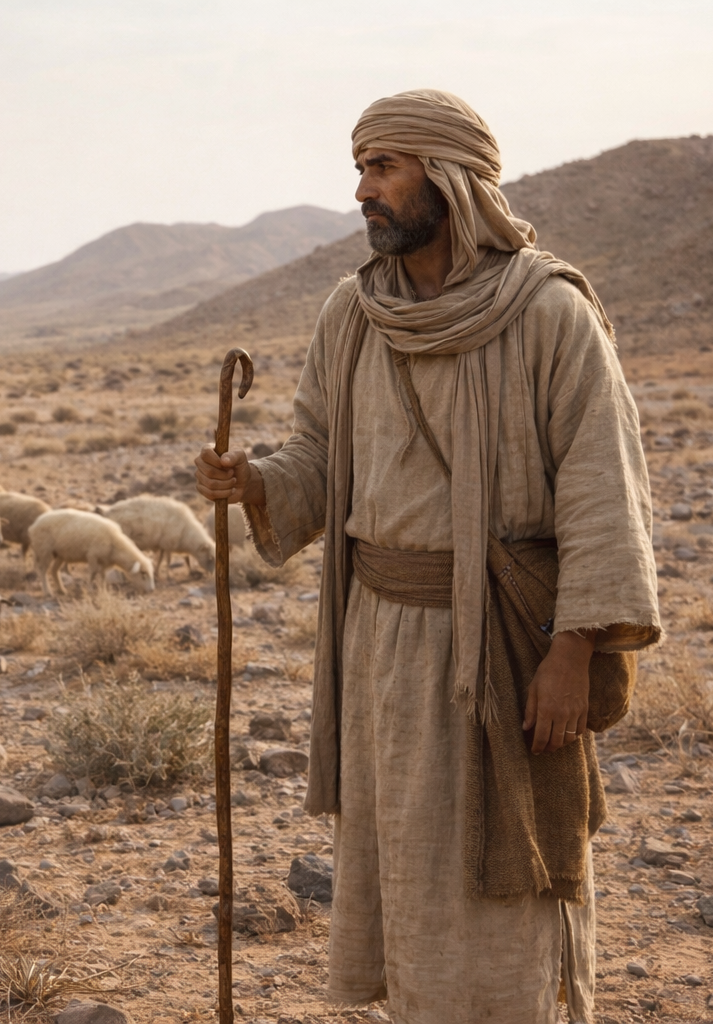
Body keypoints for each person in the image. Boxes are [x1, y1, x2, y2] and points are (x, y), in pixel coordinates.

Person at [195, 89, 659, 1024]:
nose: (363, 188)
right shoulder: (353, 313)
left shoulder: (547, 312)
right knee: (406, 859)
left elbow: (603, 488)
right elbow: (320, 456)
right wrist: (256, 483)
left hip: (506, 643)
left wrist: (575, 652)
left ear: (448, 179)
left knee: (505, 863)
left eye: (383, 167)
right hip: (380, 643)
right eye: (359, 167)